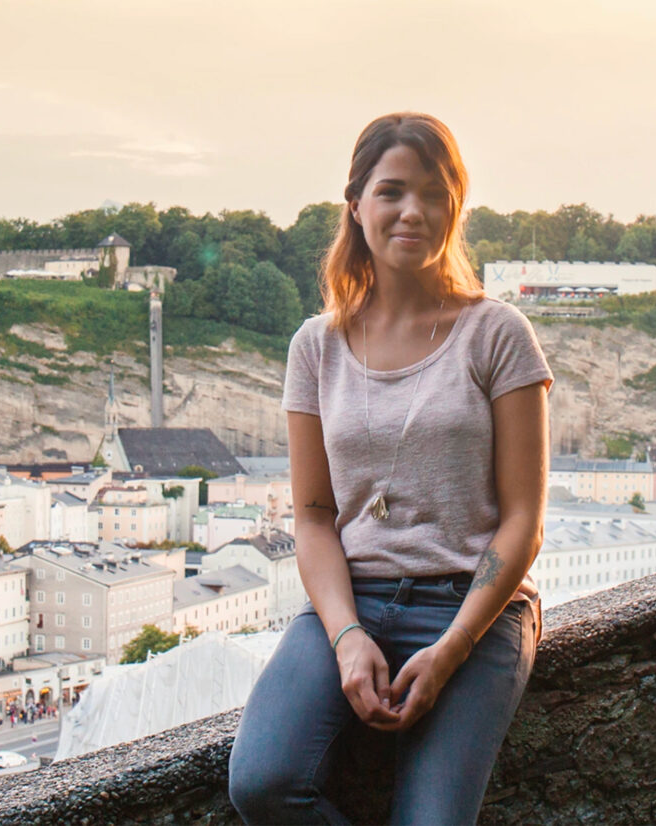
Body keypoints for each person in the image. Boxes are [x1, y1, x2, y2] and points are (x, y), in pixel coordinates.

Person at [228, 112, 553, 826]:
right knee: (263, 781)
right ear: (356, 205)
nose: (414, 211)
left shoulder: (496, 333)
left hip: (473, 607)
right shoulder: (316, 346)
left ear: (455, 207)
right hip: (353, 600)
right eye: (392, 191)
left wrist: (450, 651)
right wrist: (346, 638)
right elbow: (314, 515)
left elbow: (524, 518)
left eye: (434, 193)